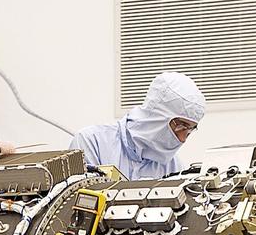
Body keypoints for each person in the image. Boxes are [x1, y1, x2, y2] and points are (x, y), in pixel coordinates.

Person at [69, 71, 206, 180]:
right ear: (157, 116)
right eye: (181, 126)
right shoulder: (91, 143)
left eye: (189, 130)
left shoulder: (173, 166)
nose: (182, 139)